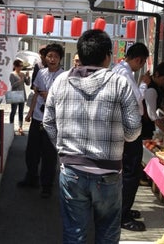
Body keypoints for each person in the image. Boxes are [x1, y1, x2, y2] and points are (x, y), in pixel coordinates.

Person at [43, 30, 142, 244]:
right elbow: (133, 130)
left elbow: (48, 122)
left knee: (74, 232)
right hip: (108, 171)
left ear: (80, 53)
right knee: (107, 232)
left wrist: (62, 148)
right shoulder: (119, 83)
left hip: (71, 170)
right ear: (107, 56)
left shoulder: (60, 81)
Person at [18, 43, 64, 199]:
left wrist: (49, 96)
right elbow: (36, 95)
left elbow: (65, 99)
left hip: (53, 121)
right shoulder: (41, 73)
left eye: (56, 57)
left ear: (60, 59)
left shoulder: (64, 77)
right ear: (45, 57)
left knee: (49, 155)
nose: (52, 59)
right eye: (50, 56)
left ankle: (47, 185)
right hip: (37, 118)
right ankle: (31, 177)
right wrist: (29, 113)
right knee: (31, 151)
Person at [112, 42, 150, 232]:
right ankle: (122, 215)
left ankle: (123, 209)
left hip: (121, 129)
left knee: (127, 172)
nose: (140, 66)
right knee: (130, 173)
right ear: (138, 60)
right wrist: (144, 84)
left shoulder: (119, 69)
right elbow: (136, 100)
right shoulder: (125, 74)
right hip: (127, 131)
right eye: (141, 63)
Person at [142, 62, 164, 139]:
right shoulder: (151, 89)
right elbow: (152, 115)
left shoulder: (158, 87)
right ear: (156, 74)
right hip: (144, 126)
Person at [9, 59, 30, 135]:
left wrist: (28, 77)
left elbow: (28, 84)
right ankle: (11, 127)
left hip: (22, 95)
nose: (21, 67)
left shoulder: (22, 74)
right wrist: (20, 81)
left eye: (22, 66)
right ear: (15, 66)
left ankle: (20, 128)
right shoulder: (12, 74)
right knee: (13, 112)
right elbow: (13, 85)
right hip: (14, 95)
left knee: (21, 112)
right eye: (19, 66)